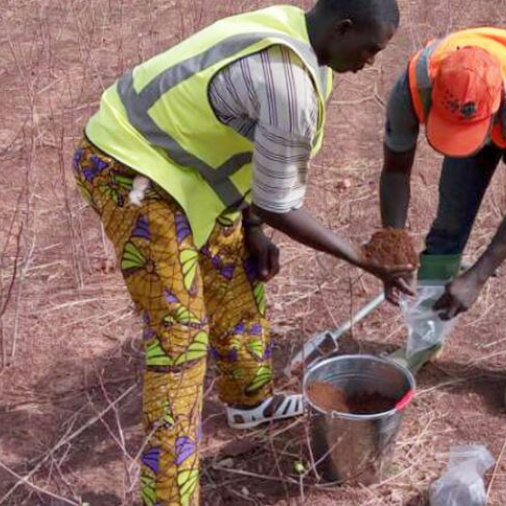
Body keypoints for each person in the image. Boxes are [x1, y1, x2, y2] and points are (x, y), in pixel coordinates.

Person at [72, 1, 408, 504]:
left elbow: (249, 145)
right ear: (342, 29)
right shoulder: (288, 83)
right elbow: (280, 205)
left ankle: (248, 399)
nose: (371, 62)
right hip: (130, 170)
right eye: (370, 49)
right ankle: (169, 495)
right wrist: (362, 258)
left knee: (235, 271)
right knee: (180, 335)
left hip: (181, 171)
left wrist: (249, 224)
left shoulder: (305, 43)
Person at [379, 27, 506, 416]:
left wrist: (478, 275)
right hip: (480, 108)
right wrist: (393, 247)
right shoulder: (416, 82)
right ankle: (424, 339)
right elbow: (395, 171)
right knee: (449, 225)